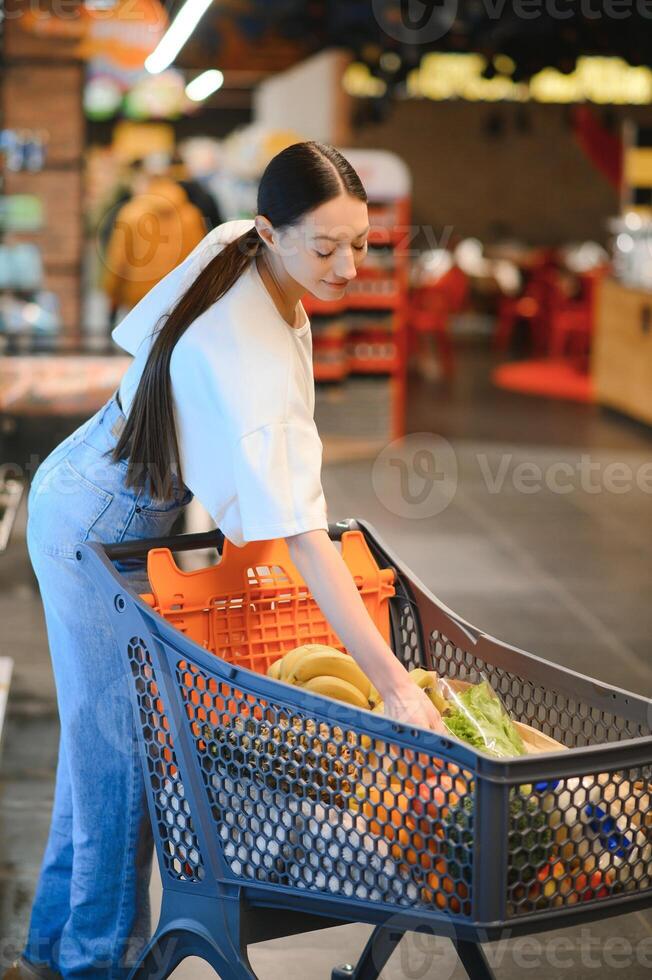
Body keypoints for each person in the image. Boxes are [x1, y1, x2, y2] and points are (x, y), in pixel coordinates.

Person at [12, 141, 445, 980]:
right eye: (324, 248)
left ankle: (48, 951)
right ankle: (95, 965)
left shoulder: (235, 248)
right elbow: (299, 535)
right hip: (96, 519)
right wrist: (392, 684)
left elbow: (141, 342)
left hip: (106, 492)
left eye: (360, 243)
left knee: (99, 747)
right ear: (268, 231)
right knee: (126, 759)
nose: (348, 266)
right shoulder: (244, 347)